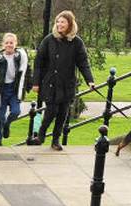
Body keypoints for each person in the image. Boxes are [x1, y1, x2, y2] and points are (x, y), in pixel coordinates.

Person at [33, 10, 94, 151]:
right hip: (50, 83)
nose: (59, 24)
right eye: (58, 22)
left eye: (63, 22)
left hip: (67, 84)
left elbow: (83, 63)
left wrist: (89, 80)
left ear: (70, 24)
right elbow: (38, 62)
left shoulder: (77, 42)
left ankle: (55, 140)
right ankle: (41, 135)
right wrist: (36, 82)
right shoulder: (49, 39)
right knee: (51, 111)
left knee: (62, 113)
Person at [0, 33, 29, 146]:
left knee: (15, 112)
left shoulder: (20, 55)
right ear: (3, 44)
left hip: (14, 88)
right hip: (2, 90)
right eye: (7, 43)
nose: (9, 45)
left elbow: (23, 72)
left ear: (16, 44)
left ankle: (7, 125)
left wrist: (22, 90)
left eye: (11, 43)